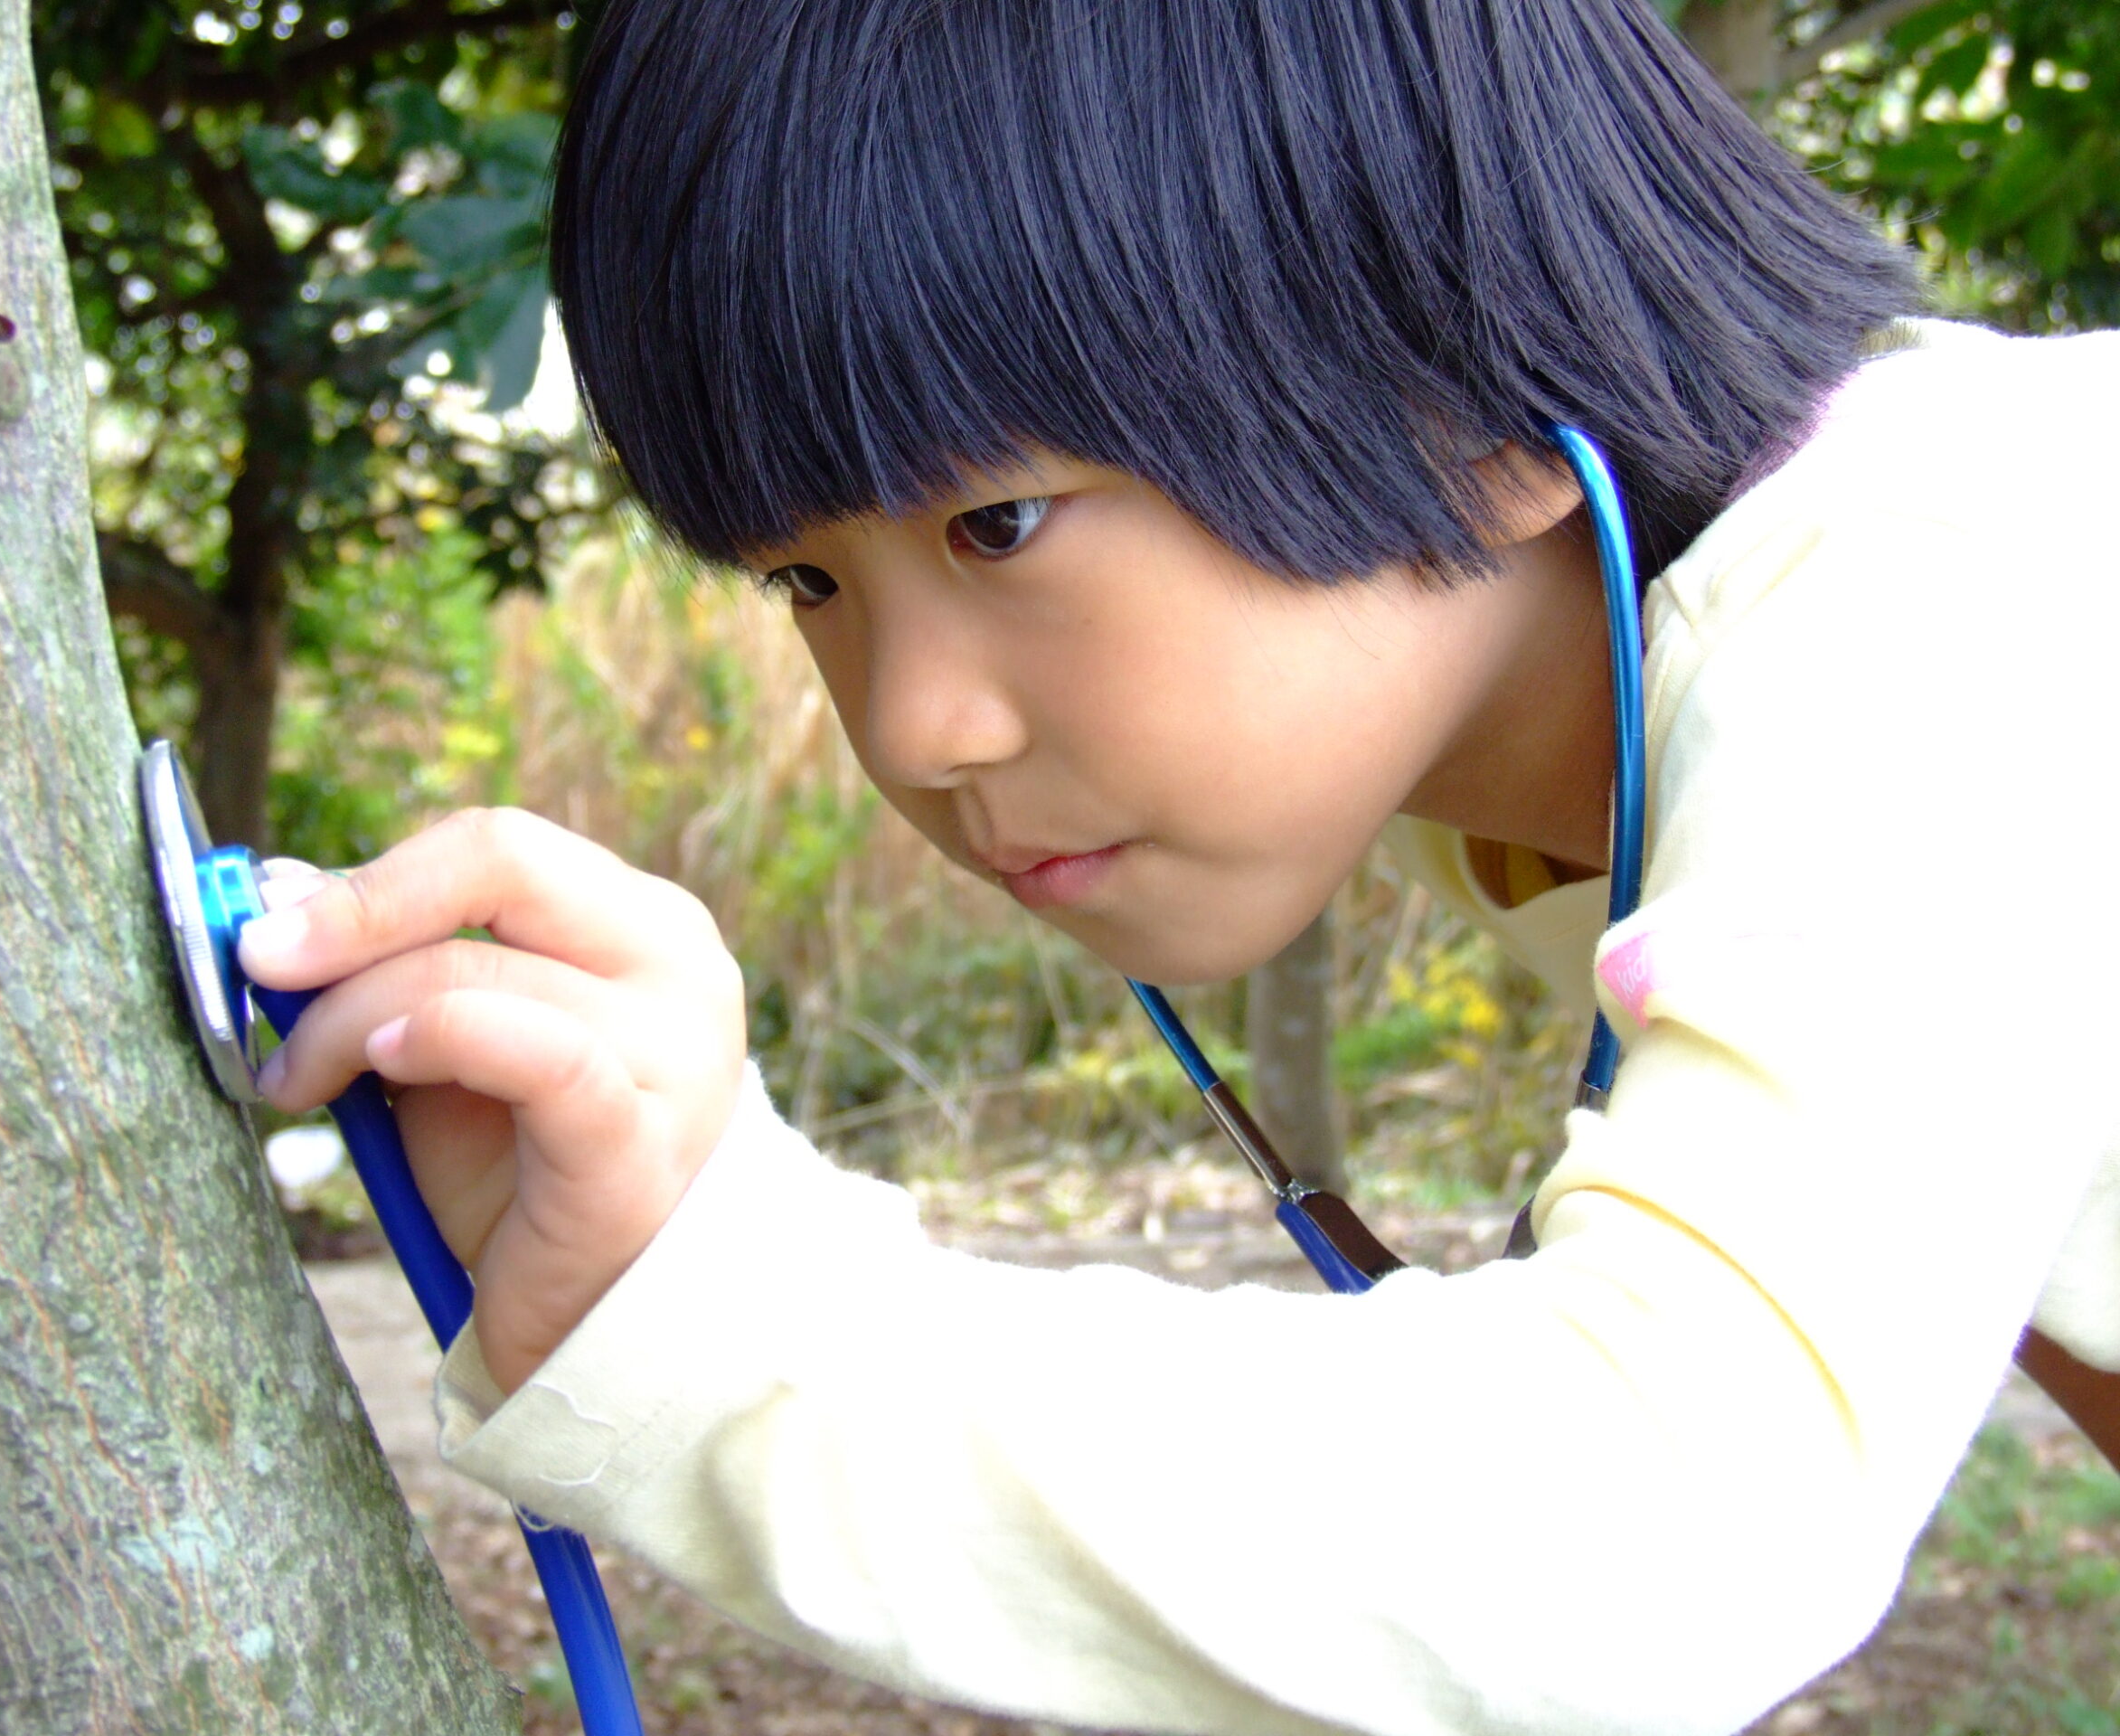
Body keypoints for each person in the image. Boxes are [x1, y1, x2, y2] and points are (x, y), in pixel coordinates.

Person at [237, 1, 2120, 1731]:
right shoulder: (1543, 756)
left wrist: (728, 1332)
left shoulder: (1955, 593)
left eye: (999, 521)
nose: (911, 728)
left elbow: (1650, 1528)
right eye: (806, 579)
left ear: (1476, 362)